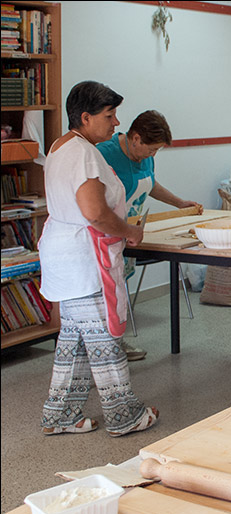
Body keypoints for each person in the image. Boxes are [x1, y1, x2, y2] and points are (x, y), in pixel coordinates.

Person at [38, 80, 158, 437]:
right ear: (86, 118)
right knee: (104, 340)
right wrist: (129, 231)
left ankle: (60, 414)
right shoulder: (85, 153)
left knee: (74, 340)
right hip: (83, 257)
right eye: (110, 115)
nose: (116, 123)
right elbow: (94, 212)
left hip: (65, 253)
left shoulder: (62, 146)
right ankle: (124, 416)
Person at [97, 110, 203, 361]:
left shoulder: (145, 158)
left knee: (120, 291)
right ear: (135, 138)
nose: (152, 155)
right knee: (107, 294)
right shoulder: (104, 154)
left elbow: (150, 183)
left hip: (130, 233)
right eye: (151, 149)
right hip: (108, 234)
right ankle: (103, 349)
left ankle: (116, 343)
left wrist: (178, 203)